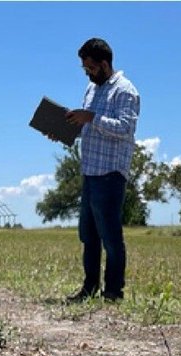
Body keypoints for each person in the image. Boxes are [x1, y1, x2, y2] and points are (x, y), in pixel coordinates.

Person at [61, 37, 140, 302]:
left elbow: (124, 128)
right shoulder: (91, 90)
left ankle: (113, 291)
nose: (88, 73)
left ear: (104, 64)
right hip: (90, 171)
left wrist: (91, 117)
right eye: (85, 69)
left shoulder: (125, 90)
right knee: (88, 235)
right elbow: (89, 128)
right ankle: (90, 287)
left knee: (110, 236)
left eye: (91, 68)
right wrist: (65, 130)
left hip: (110, 173)